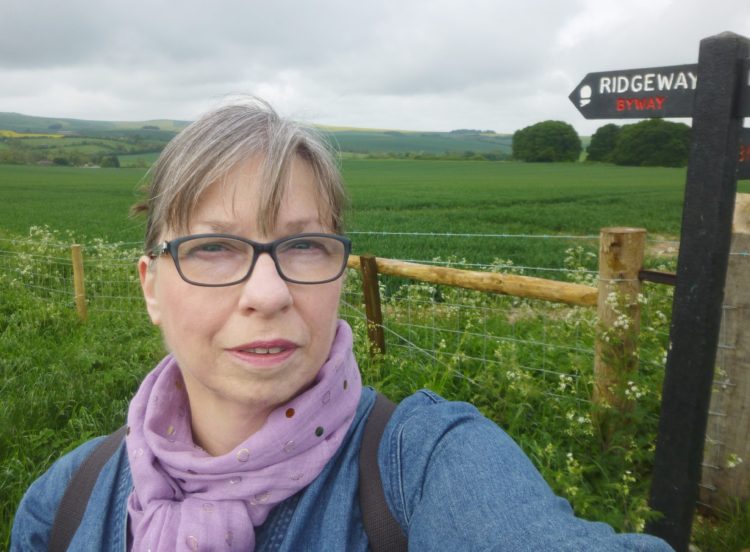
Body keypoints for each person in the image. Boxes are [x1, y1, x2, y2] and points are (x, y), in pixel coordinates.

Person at [11, 98, 674, 551]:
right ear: (152, 286)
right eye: (213, 248)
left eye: (304, 246)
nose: (267, 294)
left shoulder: (423, 463)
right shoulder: (66, 504)